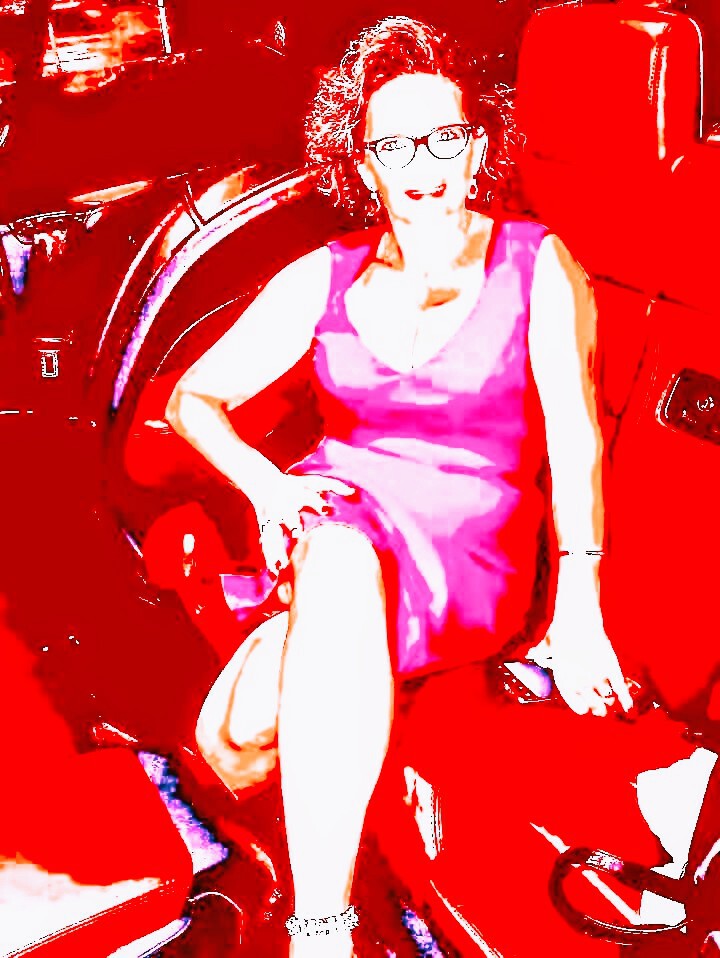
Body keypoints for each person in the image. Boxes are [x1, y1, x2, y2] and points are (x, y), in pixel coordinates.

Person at [165, 15, 635, 956]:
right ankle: (306, 878)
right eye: (394, 144)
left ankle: (320, 929)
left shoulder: (537, 263)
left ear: (479, 149)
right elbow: (191, 399)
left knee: (277, 671)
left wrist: (580, 601)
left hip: (467, 554)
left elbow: (576, 435)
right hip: (336, 514)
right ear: (364, 165)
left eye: (444, 136)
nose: (423, 162)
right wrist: (265, 485)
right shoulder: (324, 275)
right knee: (228, 748)